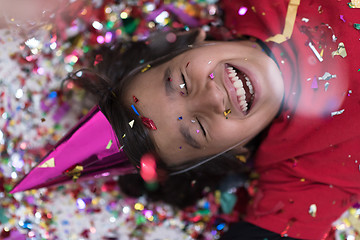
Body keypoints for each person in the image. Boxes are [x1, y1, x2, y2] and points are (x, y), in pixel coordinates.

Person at [10, 0, 360, 239]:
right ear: (234, 153)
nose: (210, 97)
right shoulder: (303, 174)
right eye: (198, 129)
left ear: (195, 41)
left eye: (178, 82)